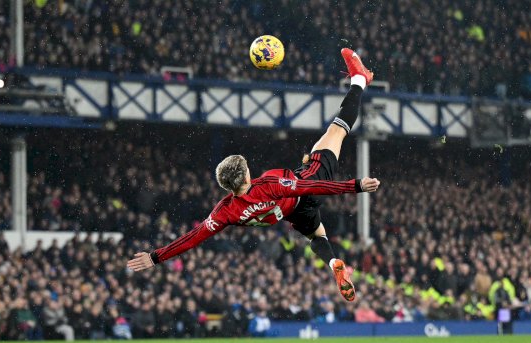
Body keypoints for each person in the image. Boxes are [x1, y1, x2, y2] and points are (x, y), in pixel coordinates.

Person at [128, 48, 378, 303]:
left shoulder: (225, 211)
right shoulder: (268, 183)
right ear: (246, 175)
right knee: (337, 130)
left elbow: (192, 238)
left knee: (317, 236)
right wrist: (356, 186)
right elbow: (309, 187)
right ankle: (359, 79)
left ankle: (333, 261)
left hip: (294, 214)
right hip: (306, 187)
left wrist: (156, 257)